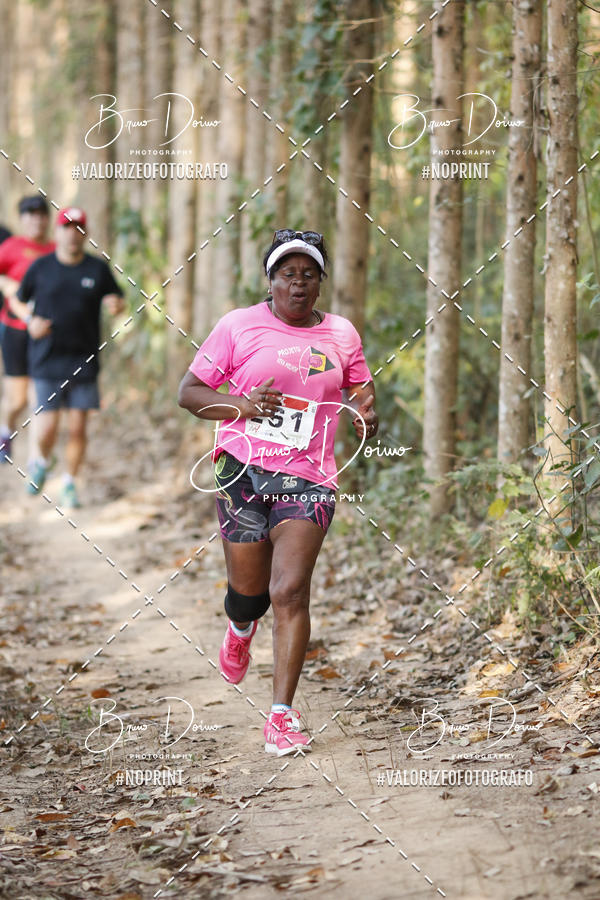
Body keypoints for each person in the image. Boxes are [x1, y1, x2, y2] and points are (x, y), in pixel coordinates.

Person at [178, 229, 378, 756]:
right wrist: (242, 406)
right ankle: (239, 627)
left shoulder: (340, 334)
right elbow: (190, 394)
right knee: (249, 594)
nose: (298, 283)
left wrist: (365, 409)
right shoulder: (238, 326)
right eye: (288, 273)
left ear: (320, 283)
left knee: (288, 589)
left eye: (308, 274)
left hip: (308, 475)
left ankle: (281, 717)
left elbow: (359, 383)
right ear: (271, 280)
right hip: (239, 468)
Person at [15, 207, 124, 507]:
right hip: (47, 360)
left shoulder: (97, 269)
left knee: (77, 428)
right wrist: (30, 321)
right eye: (67, 227)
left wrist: (116, 305)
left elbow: (117, 299)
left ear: (85, 234)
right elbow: (18, 301)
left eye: (78, 228)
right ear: (57, 231)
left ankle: (71, 483)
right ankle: (41, 461)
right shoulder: (40, 267)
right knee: (47, 427)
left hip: (84, 362)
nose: (72, 233)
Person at [0, 196, 55, 462]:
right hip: (15, 329)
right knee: (17, 401)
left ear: (48, 219)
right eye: (30, 214)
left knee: (40, 399)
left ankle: (37, 460)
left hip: (47, 334)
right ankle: (5, 430)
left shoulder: (57, 249)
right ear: (22, 219)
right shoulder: (10, 247)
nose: (37, 219)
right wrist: (6, 284)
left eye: (41, 214)